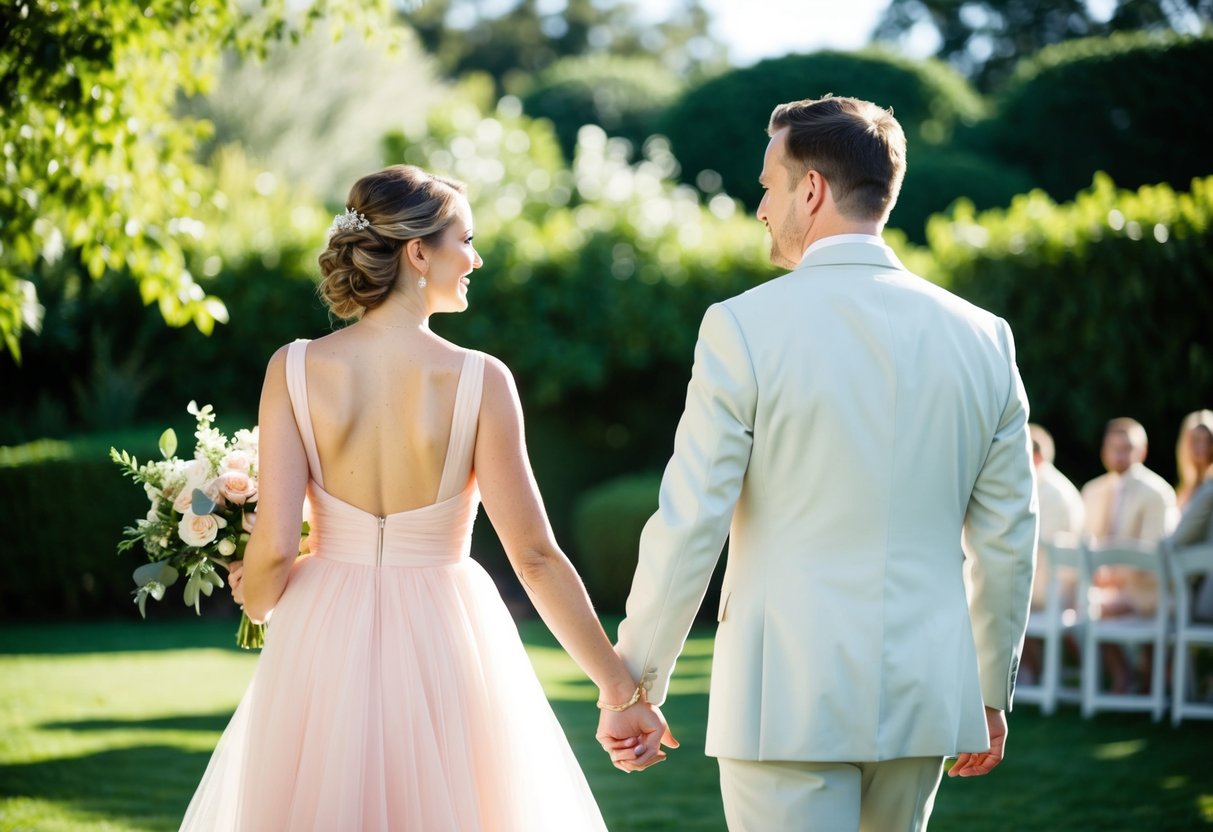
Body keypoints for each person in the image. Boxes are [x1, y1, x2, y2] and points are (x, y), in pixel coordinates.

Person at [180, 165, 667, 830]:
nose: (475, 258)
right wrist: (618, 688)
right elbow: (533, 559)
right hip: (445, 622)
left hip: (321, 627)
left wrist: (257, 598)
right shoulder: (479, 380)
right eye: (464, 239)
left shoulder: (292, 368)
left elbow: (271, 548)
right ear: (417, 253)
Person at [600, 96, 1037, 831]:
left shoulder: (742, 326)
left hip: (784, 693)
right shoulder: (984, 337)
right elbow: (1007, 538)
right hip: (924, 692)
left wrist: (635, 681)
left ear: (811, 189)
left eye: (768, 184)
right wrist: (987, 689)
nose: (761, 206)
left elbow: (691, 521)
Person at [1081, 417, 1178, 616]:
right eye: (1113, 447)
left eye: (1126, 447)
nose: (1119, 454)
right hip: (1099, 588)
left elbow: (1152, 553)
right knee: (1070, 607)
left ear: (1142, 451)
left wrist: (1110, 576)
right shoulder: (1092, 490)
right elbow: (1085, 539)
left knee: (1087, 610)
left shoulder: (1157, 493)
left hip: (1143, 591)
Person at [1020, 424, 1085, 685]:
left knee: (994, 593)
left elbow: (1037, 549)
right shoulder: (1038, 486)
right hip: (1042, 582)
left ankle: (1026, 673)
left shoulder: (1054, 494)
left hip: (1057, 587)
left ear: (1035, 456)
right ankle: (1028, 671)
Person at [1176, 410, 1213, 511]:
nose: (1202, 447)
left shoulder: (1210, 485)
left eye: (1208, 440)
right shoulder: (1186, 488)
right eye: (1196, 440)